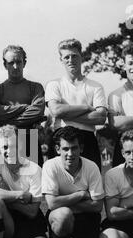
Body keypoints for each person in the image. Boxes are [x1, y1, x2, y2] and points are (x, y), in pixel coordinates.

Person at [42, 126, 104, 238]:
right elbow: (52, 203)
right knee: (63, 215)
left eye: (74, 148)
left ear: (81, 148)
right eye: (65, 149)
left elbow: (97, 206)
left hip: (86, 219)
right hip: (62, 217)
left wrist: (64, 202)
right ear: (57, 149)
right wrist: (81, 195)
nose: (70, 153)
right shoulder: (50, 165)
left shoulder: (92, 167)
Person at [45, 39, 107, 170]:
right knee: (59, 185)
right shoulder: (54, 85)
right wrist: (86, 108)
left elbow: (101, 118)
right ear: (61, 59)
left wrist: (66, 114)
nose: (70, 60)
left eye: (74, 56)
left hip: (88, 140)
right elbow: (56, 110)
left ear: (81, 57)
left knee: (90, 184)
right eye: (66, 57)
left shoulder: (96, 86)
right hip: (61, 138)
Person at [0, 45, 45, 166]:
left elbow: (37, 111)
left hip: (29, 140)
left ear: (24, 63)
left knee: (33, 181)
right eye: (11, 63)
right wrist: (24, 107)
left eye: (19, 62)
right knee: (3, 181)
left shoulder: (35, 87)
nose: (15, 66)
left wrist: (7, 122)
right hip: (4, 142)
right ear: (5, 65)